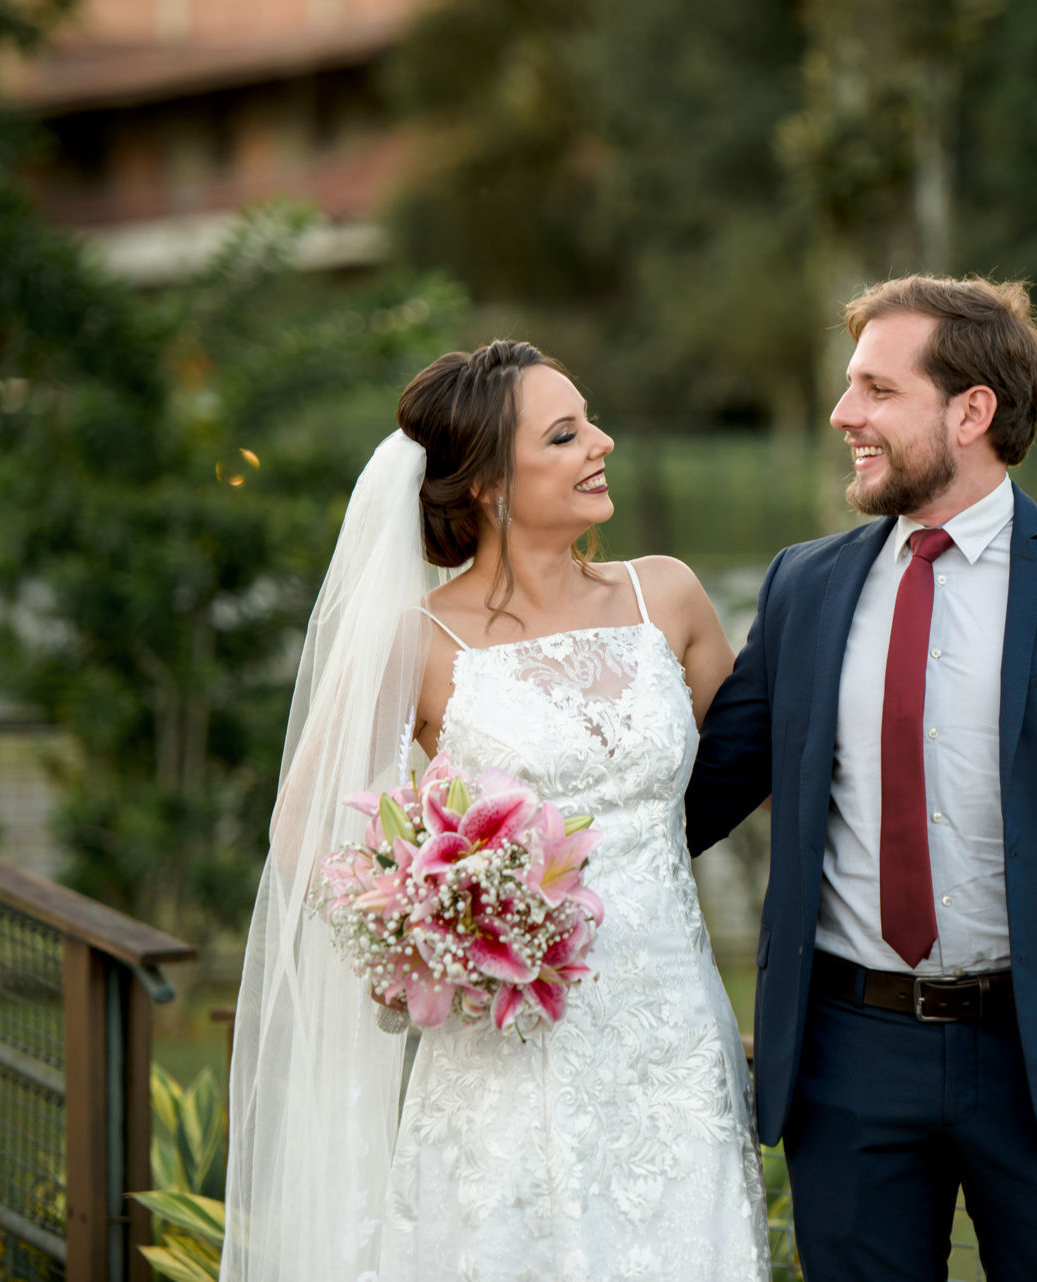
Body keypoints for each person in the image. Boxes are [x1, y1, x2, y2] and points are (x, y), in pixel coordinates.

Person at [686, 275, 1037, 1280]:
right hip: (845, 1058)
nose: (842, 415)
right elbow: (699, 797)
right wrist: (519, 873)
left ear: (972, 410)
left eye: (875, 389)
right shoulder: (805, 585)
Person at [222, 340, 768, 1282]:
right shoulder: (420, 641)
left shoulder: (667, 595)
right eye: (564, 435)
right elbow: (301, 822)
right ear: (484, 483)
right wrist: (413, 936)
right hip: (506, 1050)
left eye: (589, 420)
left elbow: (755, 762)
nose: (601, 443)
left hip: (673, 1044)